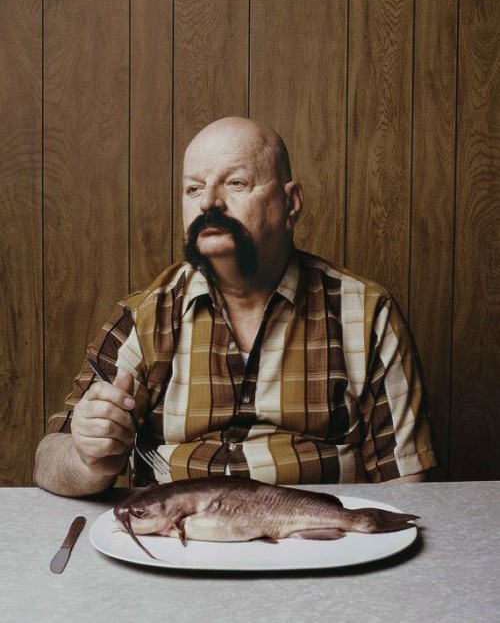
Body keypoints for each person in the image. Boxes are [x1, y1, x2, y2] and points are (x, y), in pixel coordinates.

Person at [34, 117, 437, 497]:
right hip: (174, 535)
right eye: (193, 189)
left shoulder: (365, 313)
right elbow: (49, 461)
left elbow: (406, 481)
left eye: (236, 183)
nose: (209, 202)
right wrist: (87, 457)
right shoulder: (146, 316)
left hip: (317, 536)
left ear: (291, 203)